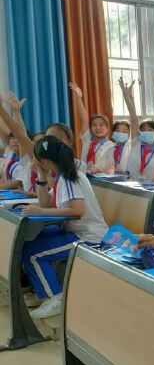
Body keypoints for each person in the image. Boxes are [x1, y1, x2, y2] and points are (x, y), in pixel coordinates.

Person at [20, 136, 108, 318]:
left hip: (88, 236)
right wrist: (42, 177)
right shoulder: (62, 175)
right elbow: (45, 203)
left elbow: (77, 210)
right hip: (74, 230)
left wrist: (40, 212)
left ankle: (55, 298)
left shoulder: (70, 177)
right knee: (31, 240)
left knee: (33, 254)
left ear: (45, 161)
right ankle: (42, 291)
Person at [70, 82, 115, 174]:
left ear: (107, 129)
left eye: (101, 125)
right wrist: (79, 98)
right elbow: (84, 119)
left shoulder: (112, 146)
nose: (98, 128)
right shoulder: (87, 139)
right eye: (94, 125)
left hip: (102, 179)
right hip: (84, 176)